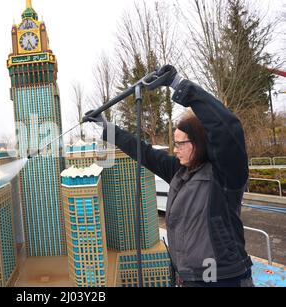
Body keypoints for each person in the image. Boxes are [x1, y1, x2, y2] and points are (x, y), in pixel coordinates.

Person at [84, 65, 254, 287]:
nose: (176, 149)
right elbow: (145, 153)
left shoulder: (224, 174)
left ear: (199, 142)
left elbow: (227, 128)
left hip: (223, 279)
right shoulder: (180, 172)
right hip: (188, 278)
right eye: (174, 143)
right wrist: (107, 129)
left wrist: (179, 84)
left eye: (181, 143)